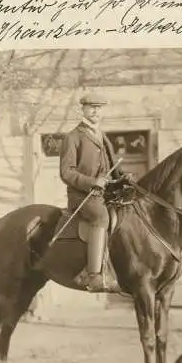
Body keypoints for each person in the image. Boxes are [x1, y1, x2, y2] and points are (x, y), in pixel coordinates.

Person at [59, 93, 127, 292]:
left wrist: (124, 177)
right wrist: (91, 182)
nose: (96, 111)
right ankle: (94, 275)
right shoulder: (73, 137)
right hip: (82, 196)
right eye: (91, 107)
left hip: (103, 194)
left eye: (99, 107)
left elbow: (113, 167)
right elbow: (66, 172)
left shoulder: (102, 136)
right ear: (83, 109)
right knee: (101, 217)